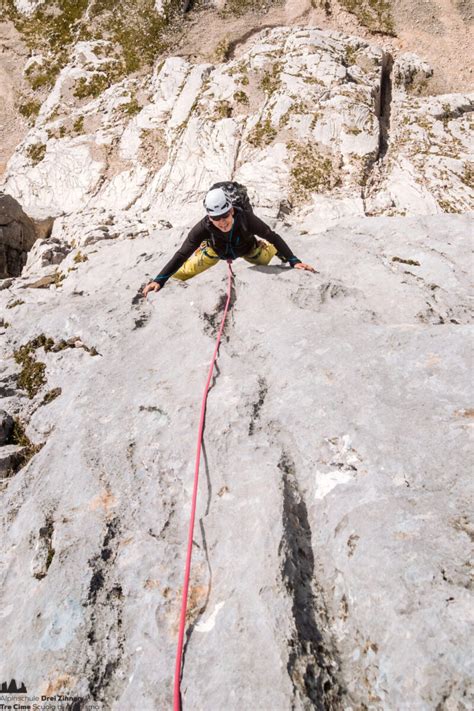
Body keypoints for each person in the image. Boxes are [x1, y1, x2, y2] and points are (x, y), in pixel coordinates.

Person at [142, 187, 316, 297]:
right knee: (180, 275)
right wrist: (160, 280)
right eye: (216, 218)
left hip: (249, 249)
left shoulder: (246, 219)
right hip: (214, 252)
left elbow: (272, 235)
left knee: (264, 257)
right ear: (209, 217)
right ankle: (165, 279)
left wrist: (294, 261)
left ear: (231, 210)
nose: (222, 222)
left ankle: (271, 250)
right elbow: (182, 254)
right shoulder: (202, 228)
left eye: (225, 216)